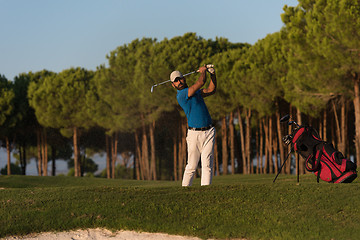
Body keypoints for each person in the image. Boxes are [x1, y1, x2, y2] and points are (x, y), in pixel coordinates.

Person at [170, 65, 217, 186]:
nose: (179, 82)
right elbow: (201, 82)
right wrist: (203, 71)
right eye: (176, 81)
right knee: (191, 166)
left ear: (184, 78)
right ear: (173, 85)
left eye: (180, 79)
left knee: (207, 165)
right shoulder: (181, 95)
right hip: (194, 134)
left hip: (209, 131)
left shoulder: (195, 93)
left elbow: (211, 90)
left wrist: (212, 74)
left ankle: (206, 191)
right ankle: (185, 191)